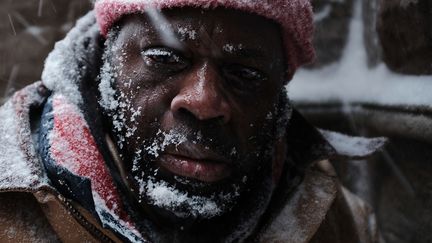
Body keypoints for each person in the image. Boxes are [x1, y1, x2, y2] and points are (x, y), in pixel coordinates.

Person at [0, 0, 385, 242]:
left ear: (279, 94)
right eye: (164, 59)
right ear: (105, 59)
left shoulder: (342, 223)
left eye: (245, 73)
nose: (203, 103)